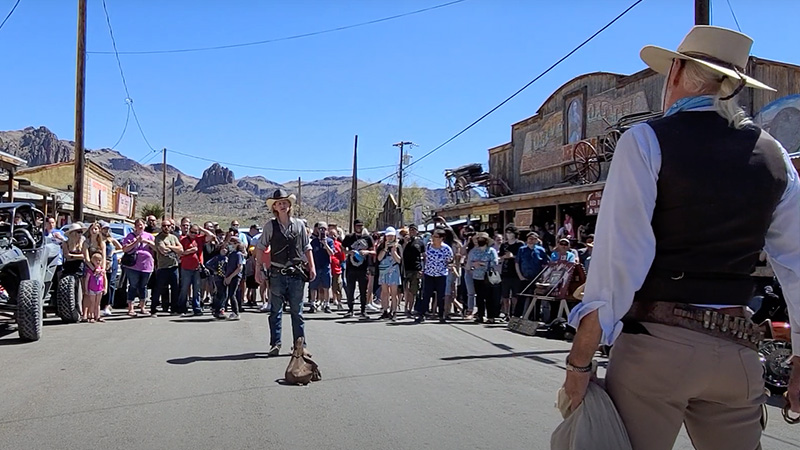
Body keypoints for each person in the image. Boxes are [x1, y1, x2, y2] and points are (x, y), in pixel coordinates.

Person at [564, 26, 800, 450]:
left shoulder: (646, 140)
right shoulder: (774, 155)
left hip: (658, 347)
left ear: (676, 72)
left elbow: (619, 263)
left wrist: (579, 364)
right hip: (737, 350)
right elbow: (798, 265)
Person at [255, 189, 316, 356]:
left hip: (296, 273)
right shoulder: (270, 226)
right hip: (276, 273)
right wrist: (258, 269)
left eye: (284, 202)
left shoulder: (299, 225)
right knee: (276, 311)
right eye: (278, 203)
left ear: (289, 205)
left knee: (298, 311)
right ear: (274, 207)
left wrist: (312, 267)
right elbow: (261, 248)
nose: (282, 205)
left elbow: (306, 247)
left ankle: (300, 345)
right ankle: (275, 344)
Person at [415, 229, 453, 324]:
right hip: (429, 274)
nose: (433, 238)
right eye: (433, 236)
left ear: (441, 238)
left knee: (441, 296)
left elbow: (450, 261)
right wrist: (422, 270)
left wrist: (450, 264)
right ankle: (422, 314)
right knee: (426, 295)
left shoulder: (446, 249)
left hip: (441, 275)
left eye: (435, 237)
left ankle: (441, 315)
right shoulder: (428, 246)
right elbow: (424, 259)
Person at [121, 219, 156, 316]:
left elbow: (156, 248)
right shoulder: (130, 236)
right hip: (133, 266)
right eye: (138, 225)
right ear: (135, 226)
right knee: (133, 285)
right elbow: (125, 249)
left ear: (144, 225)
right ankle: (131, 308)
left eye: (142, 225)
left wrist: (146, 241)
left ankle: (142, 306)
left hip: (147, 265)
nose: (140, 227)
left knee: (143, 286)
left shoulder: (149, 236)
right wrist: (136, 242)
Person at [179, 223, 215, 316]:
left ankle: (197, 307)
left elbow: (211, 236)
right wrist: (190, 251)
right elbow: (180, 253)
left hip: (197, 268)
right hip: (186, 267)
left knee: (197, 289)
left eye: (195, 232)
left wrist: (201, 228)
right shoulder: (183, 240)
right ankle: (182, 307)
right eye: (192, 232)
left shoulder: (199, 239)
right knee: (184, 288)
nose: (193, 234)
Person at [341, 219, 375, 318]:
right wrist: (348, 252)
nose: (359, 227)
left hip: (363, 268)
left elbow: (374, 251)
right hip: (351, 267)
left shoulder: (368, 238)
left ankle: (363, 310)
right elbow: (342, 248)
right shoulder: (349, 237)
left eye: (361, 226)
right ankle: (350, 310)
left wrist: (367, 252)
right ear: (354, 226)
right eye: (357, 226)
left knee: (363, 290)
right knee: (350, 289)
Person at [152, 220, 184, 316]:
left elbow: (181, 249)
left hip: (174, 266)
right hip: (163, 267)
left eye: (168, 226)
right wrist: (175, 249)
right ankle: (153, 309)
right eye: (164, 226)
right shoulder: (158, 238)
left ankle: (174, 309)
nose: (166, 227)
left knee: (175, 288)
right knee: (159, 288)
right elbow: (163, 250)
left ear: (171, 227)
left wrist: (170, 246)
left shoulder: (173, 237)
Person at [466, 232, 499, 323]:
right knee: (479, 297)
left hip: (488, 276)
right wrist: (473, 265)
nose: (480, 241)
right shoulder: (473, 251)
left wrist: (482, 263)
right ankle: (480, 315)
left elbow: (495, 262)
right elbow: (468, 265)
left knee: (489, 297)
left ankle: (491, 317)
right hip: (477, 276)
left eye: (482, 239)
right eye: (479, 239)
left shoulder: (491, 251)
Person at [515, 231, 547, 316]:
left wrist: (542, 278)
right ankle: (517, 316)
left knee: (535, 299)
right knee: (521, 297)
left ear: (537, 240)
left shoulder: (541, 250)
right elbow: (517, 263)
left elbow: (545, 264)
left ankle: (533, 317)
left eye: (534, 239)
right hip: (524, 277)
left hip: (536, 278)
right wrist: (520, 276)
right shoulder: (522, 249)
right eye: (530, 238)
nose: (531, 240)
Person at [376, 227, 402, 320]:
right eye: (388, 236)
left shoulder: (398, 246)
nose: (390, 237)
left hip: (394, 270)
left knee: (394, 292)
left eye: (392, 235)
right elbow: (378, 258)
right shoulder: (381, 246)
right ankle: (385, 310)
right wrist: (385, 248)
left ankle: (394, 311)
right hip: (384, 270)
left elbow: (399, 260)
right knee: (384, 292)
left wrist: (394, 251)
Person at [498, 225, 523, 321]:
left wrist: (513, 256)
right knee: (505, 295)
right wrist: (504, 256)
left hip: (516, 272)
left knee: (515, 295)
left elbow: (521, 257)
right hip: (505, 272)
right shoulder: (504, 245)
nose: (509, 234)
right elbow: (500, 256)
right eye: (507, 232)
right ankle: (506, 313)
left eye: (511, 232)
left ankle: (514, 313)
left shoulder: (520, 244)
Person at [309, 222, 334, 313]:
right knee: (313, 286)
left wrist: (325, 244)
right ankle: (312, 304)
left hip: (325, 266)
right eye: (320, 229)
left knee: (326, 286)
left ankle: (326, 304)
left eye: (324, 229)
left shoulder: (330, 241)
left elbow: (332, 253)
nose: (322, 231)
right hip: (316, 266)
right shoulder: (313, 242)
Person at [401, 223, 425, 315]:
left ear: (417, 231)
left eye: (414, 230)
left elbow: (423, 255)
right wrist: (405, 243)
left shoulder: (420, 242)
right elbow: (400, 253)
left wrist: (423, 268)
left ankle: (409, 309)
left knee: (413, 290)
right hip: (405, 269)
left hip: (416, 268)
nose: (412, 231)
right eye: (410, 230)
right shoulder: (403, 241)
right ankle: (405, 306)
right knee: (405, 290)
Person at [99, 222, 122, 317]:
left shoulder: (111, 239)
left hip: (112, 262)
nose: (106, 230)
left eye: (107, 228)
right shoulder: (98, 240)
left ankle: (108, 305)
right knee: (101, 283)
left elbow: (121, 248)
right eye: (104, 228)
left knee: (111, 283)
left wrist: (113, 251)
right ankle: (99, 303)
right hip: (101, 262)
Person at [205, 246, 229, 319]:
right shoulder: (217, 258)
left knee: (225, 293)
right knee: (219, 293)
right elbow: (208, 264)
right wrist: (214, 270)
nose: (224, 250)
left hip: (225, 277)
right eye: (223, 249)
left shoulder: (227, 258)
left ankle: (221, 308)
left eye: (226, 249)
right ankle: (217, 308)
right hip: (218, 277)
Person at [223, 242, 245, 320]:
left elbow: (239, 267)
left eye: (232, 243)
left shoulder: (238, 254)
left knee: (232, 294)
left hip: (235, 277)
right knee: (230, 294)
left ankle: (236, 312)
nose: (230, 245)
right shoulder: (231, 254)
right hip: (229, 276)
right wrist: (226, 277)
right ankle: (233, 311)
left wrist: (230, 277)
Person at [328, 229, 346, 311]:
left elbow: (343, 258)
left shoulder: (339, 245)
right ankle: (325, 303)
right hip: (327, 268)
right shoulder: (326, 244)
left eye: (335, 235)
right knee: (325, 287)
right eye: (331, 234)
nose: (333, 236)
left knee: (338, 287)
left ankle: (339, 302)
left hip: (336, 269)